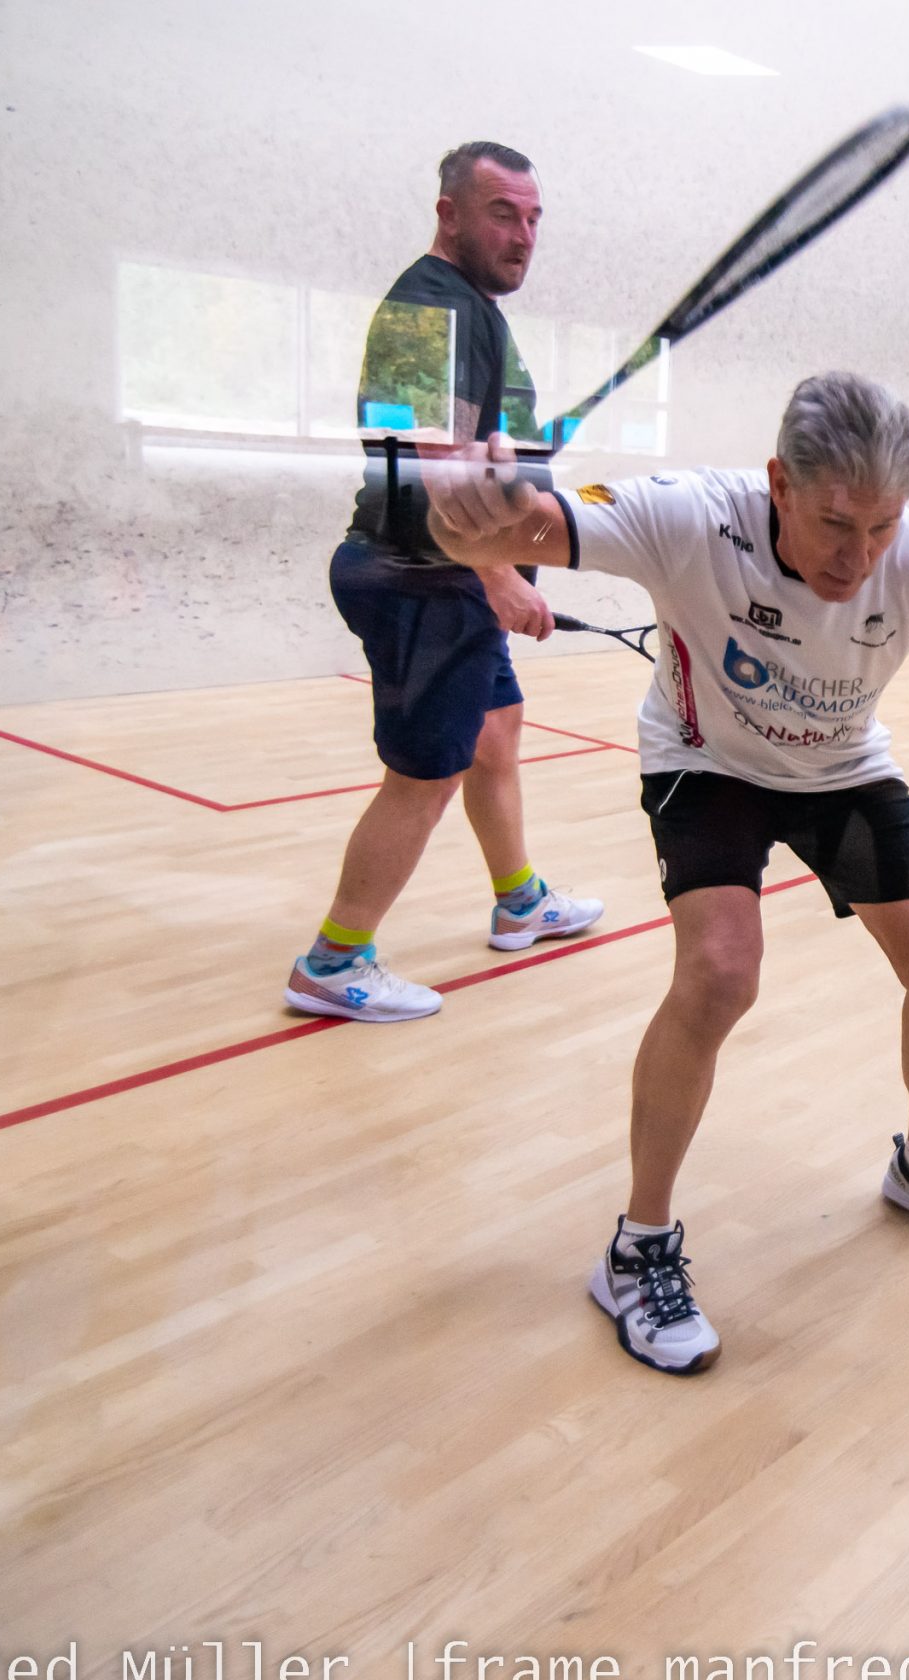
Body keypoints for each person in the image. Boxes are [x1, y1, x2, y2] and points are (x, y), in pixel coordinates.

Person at [422, 372, 909, 1375]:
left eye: (883, 525)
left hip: (842, 769)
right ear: (778, 484)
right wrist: (464, 519)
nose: (859, 557)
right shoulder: (688, 517)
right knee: (720, 974)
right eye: (837, 523)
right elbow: (509, 531)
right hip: (705, 762)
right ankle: (637, 1249)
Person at [282, 141, 604, 1024]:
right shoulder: (429, 310)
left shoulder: (471, 311)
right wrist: (497, 576)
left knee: (496, 731)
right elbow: (428, 465)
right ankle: (332, 961)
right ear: (449, 214)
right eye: (503, 213)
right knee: (424, 777)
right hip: (424, 579)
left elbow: (476, 453)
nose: (523, 235)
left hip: (445, 578)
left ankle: (519, 899)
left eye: (533, 218)